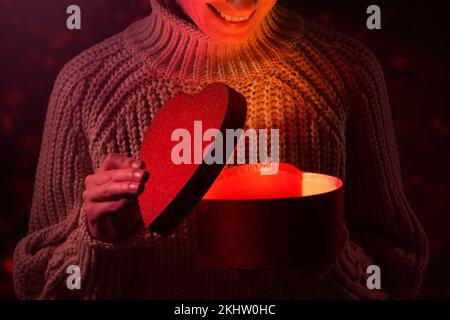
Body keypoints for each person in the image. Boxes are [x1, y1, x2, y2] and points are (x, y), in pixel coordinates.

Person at [13, 0, 428, 299]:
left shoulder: (348, 74)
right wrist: (97, 245)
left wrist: (323, 257)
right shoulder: (88, 84)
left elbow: (396, 274)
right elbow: (37, 287)